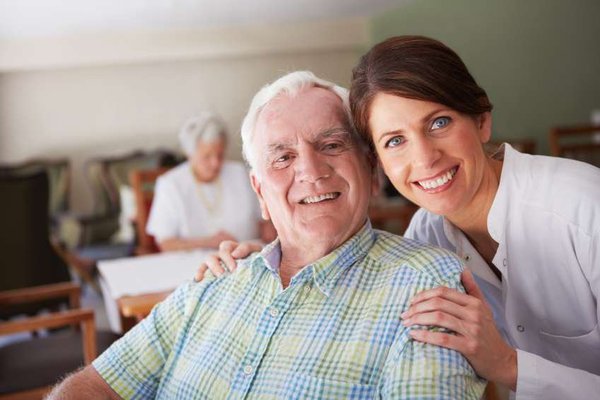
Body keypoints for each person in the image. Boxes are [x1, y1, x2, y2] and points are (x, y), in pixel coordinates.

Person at [199, 37, 600, 399]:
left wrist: (509, 366)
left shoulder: (584, 208)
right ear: (379, 164)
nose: (424, 159)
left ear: (481, 120)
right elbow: (360, 279)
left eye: (439, 123)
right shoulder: (427, 238)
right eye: (395, 141)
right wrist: (275, 263)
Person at [48, 71, 485, 399]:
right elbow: (92, 386)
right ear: (260, 191)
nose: (311, 171)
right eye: (282, 157)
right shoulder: (212, 284)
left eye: (331, 145)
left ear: (371, 170)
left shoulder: (426, 285)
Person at [146, 112, 271, 252]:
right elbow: (166, 243)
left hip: (247, 257)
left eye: (220, 155)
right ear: (190, 154)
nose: (215, 163)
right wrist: (209, 242)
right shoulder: (170, 184)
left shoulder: (240, 173)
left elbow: (265, 223)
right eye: (207, 156)